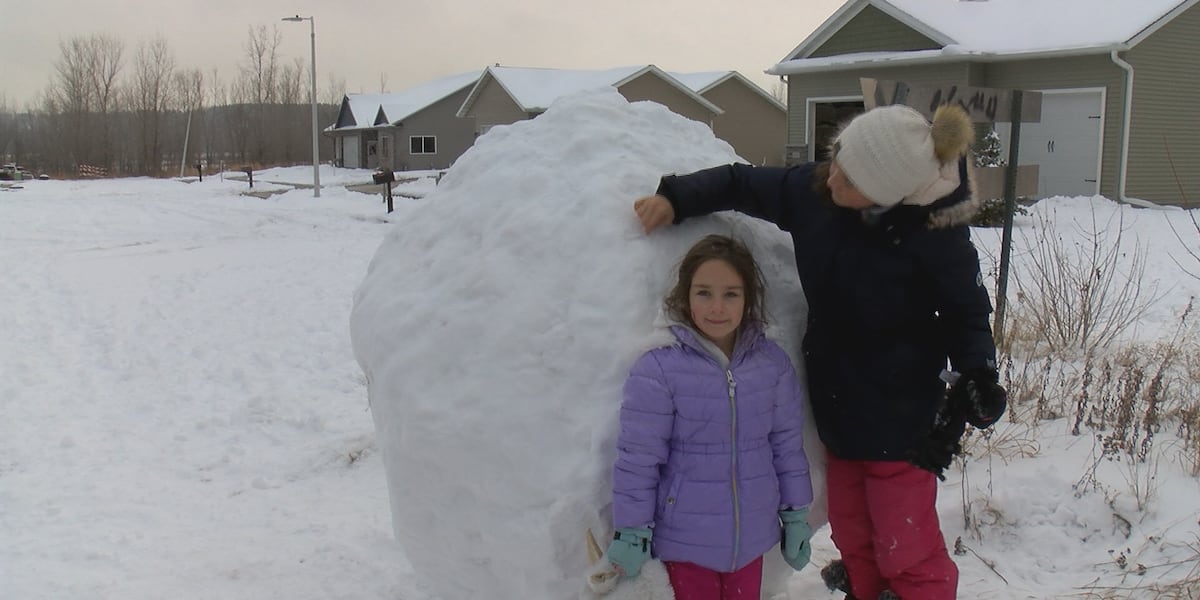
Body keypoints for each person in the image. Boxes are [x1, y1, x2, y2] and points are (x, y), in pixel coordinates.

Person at [630, 104, 1009, 600]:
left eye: (848, 179)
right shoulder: (816, 192)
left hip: (906, 421)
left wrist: (978, 373)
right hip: (841, 410)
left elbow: (966, 309)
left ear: (885, 193)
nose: (832, 179)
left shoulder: (935, 233)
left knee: (905, 544)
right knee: (854, 536)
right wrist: (676, 197)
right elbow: (741, 184)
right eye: (836, 163)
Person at [606, 234, 815, 600]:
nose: (717, 307)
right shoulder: (659, 369)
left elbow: (786, 447)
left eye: (730, 294)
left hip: (750, 539)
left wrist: (796, 513)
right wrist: (632, 529)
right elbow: (639, 458)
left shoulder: (771, 366)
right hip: (685, 542)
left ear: (748, 297)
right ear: (685, 295)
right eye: (704, 292)